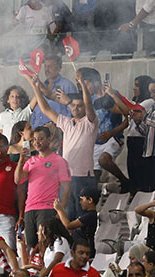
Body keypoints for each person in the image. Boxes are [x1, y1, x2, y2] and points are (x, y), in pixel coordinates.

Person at [26, 70, 98, 220]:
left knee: (82, 218)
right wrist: (35, 87)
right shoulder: (66, 122)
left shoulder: (90, 122)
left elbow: (89, 104)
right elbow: (45, 108)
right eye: (73, 106)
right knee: (66, 215)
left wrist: (83, 85)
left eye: (80, 106)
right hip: (66, 176)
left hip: (84, 176)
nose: (76, 109)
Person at [14, 126, 71, 250]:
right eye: (34, 139)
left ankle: (46, 269)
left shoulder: (59, 161)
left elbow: (66, 189)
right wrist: (21, 160)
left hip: (48, 208)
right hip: (30, 209)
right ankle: (32, 269)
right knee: (31, 247)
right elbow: (18, 180)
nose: (36, 142)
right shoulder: (31, 161)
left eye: (40, 139)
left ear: (49, 139)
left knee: (45, 245)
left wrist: (60, 211)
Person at [29, 54, 77, 129]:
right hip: (37, 132)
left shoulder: (67, 85)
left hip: (56, 133)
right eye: (45, 66)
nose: (46, 70)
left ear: (59, 68)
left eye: (50, 67)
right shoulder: (41, 85)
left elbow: (72, 112)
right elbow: (34, 110)